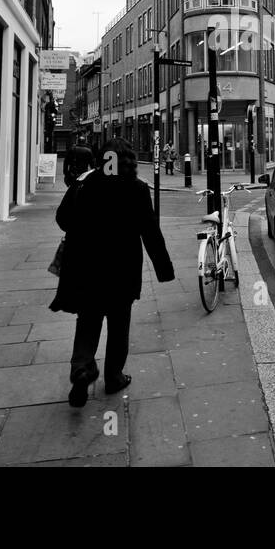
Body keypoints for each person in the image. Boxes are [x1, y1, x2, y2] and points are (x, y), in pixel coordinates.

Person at [52, 139, 175, 406]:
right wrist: (164, 269)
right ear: (129, 161)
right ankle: (114, 377)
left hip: (85, 268)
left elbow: (63, 219)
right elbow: (150, 232)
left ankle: (82, 368)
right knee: (119, 324)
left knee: (88, 320)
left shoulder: (84, 183)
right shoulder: (137, 188)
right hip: (122, 269)